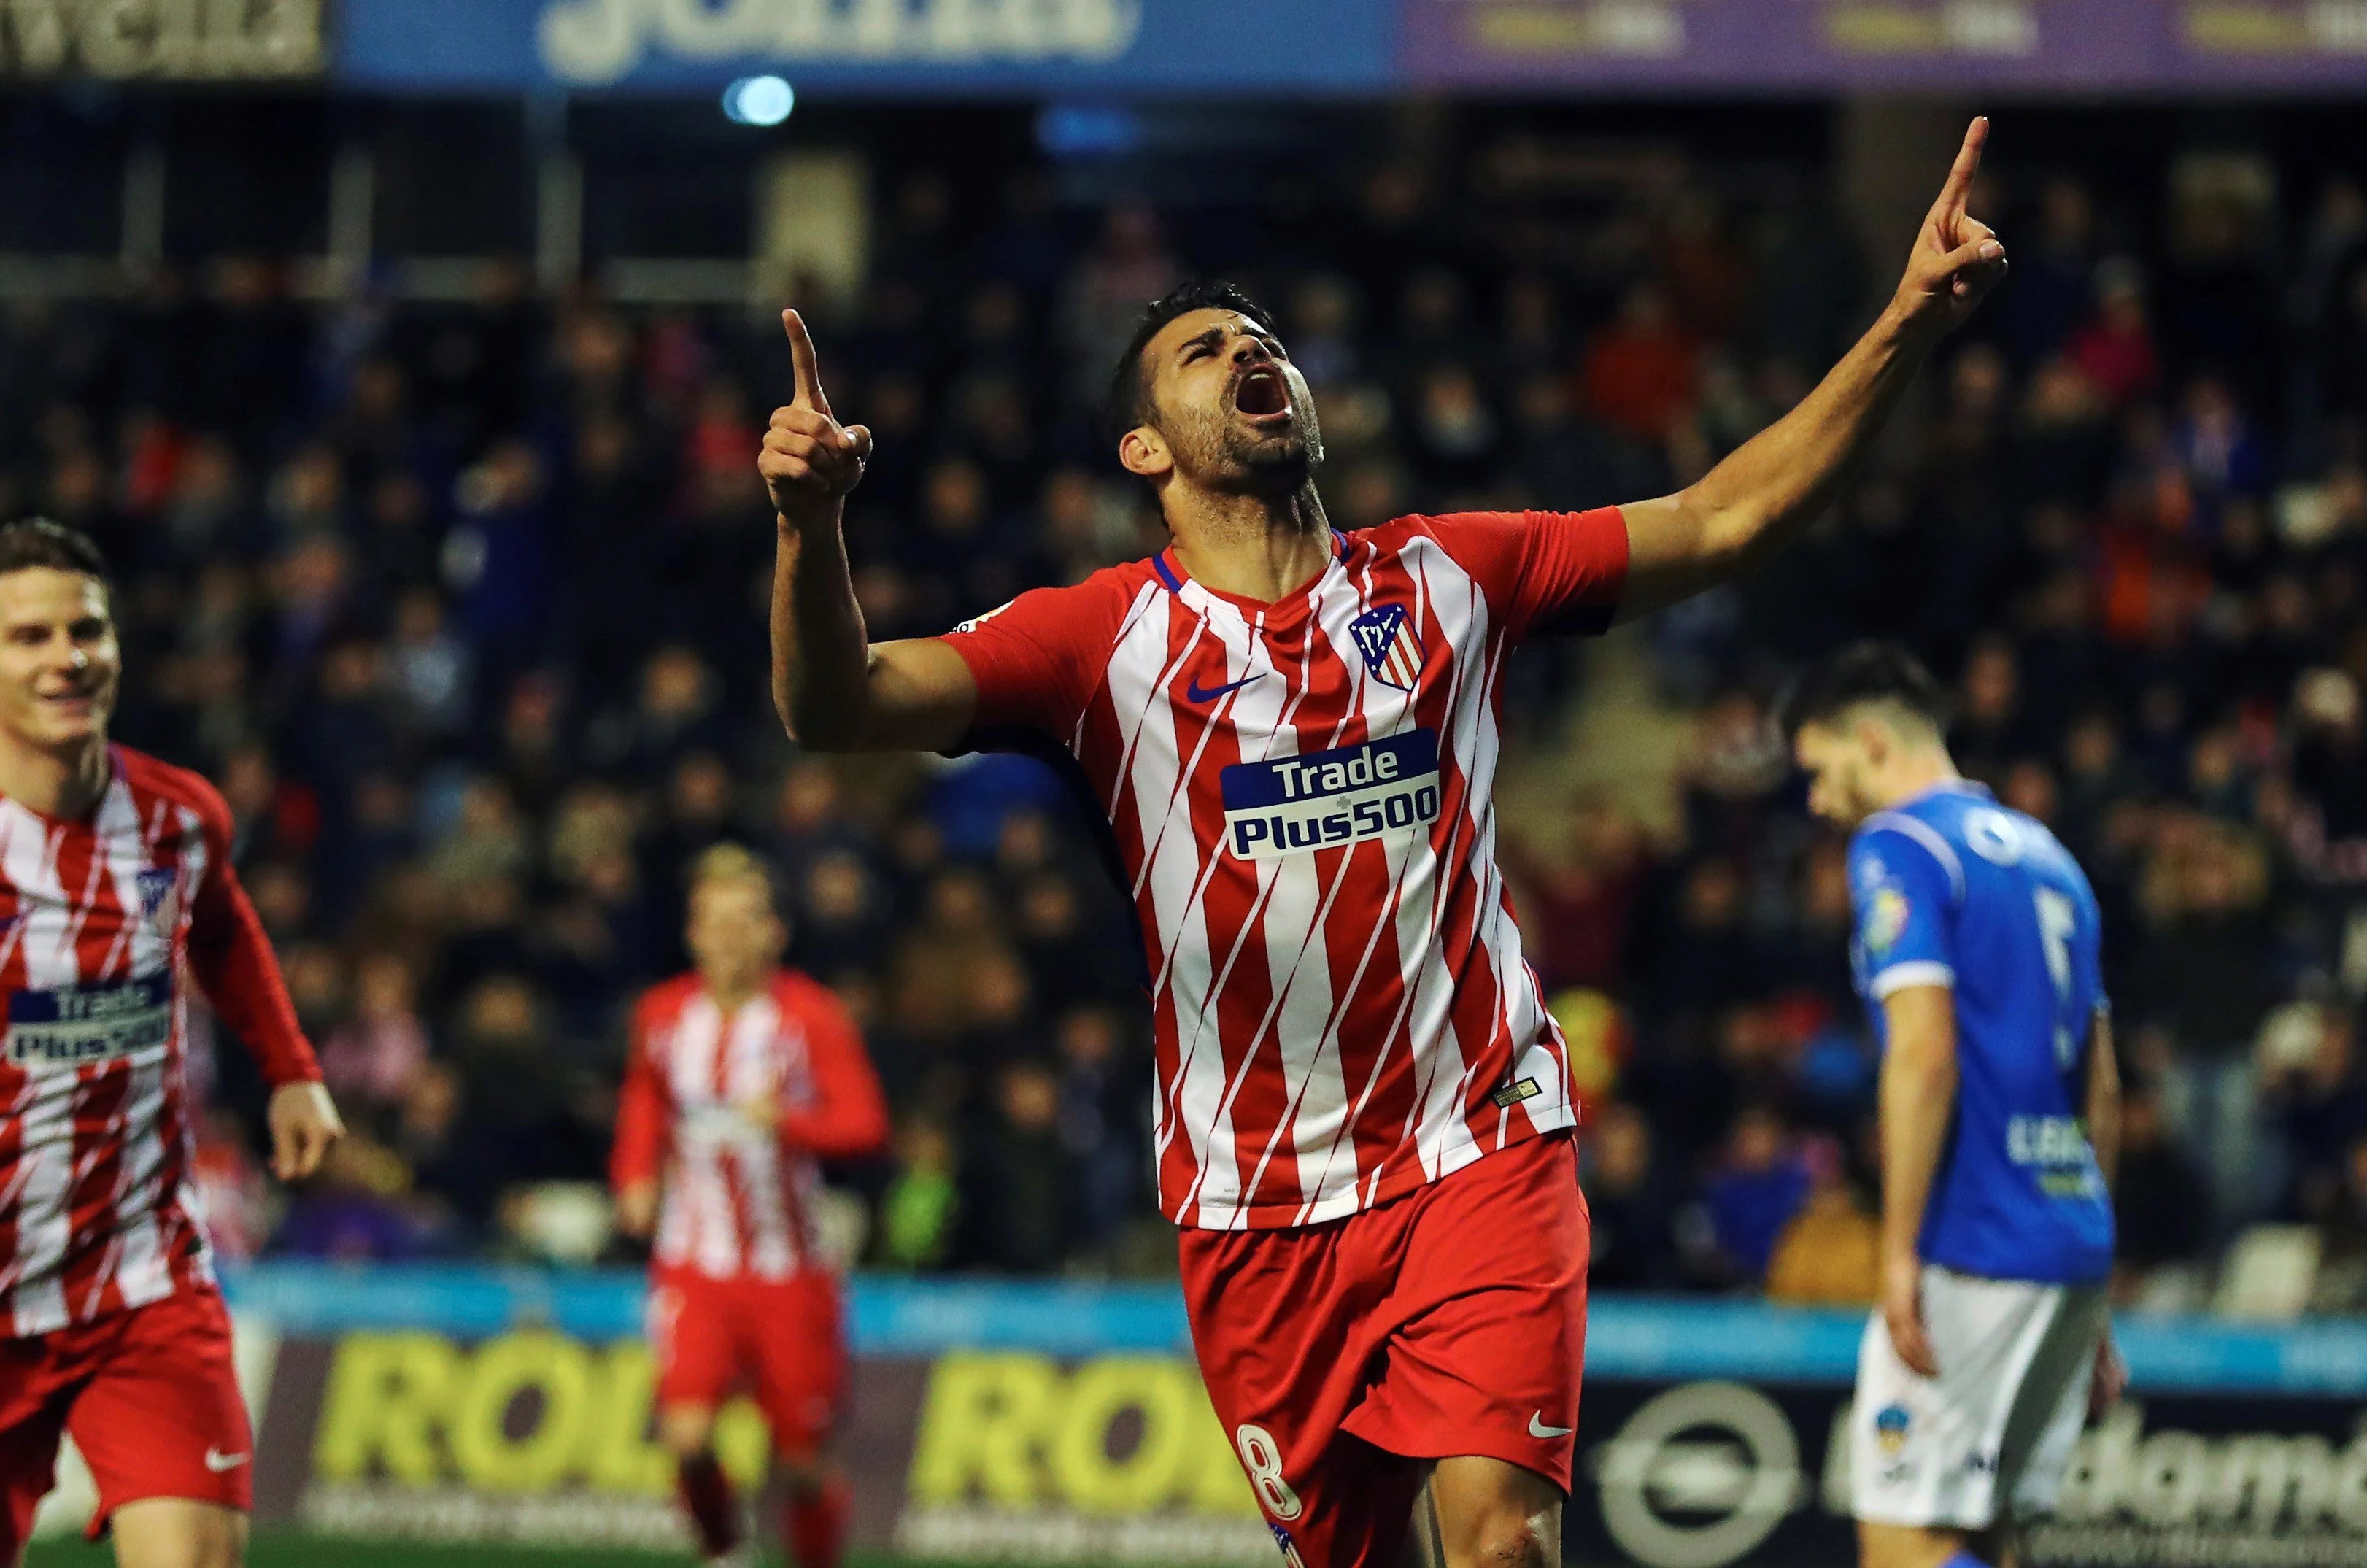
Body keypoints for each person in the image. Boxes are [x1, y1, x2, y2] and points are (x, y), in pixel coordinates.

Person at [759, 117, 2012, 1568]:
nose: (1250, 357)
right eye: (1203, 352)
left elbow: (1725, 515)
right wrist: (806, 532)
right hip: (1256, 1208)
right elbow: (833, 705)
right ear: (1144, 446)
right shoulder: (1100, 641)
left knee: (1498, 1548)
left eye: (1262, 342)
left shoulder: (1445, 575)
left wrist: (1906, 319)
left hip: (1476, 1144)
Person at [0, 520, 342, 1568]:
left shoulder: (179, 820)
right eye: (31, 636)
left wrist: (293, 1070)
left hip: (144, 1279)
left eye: (88, 630)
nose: (67, 656)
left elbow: (223, 931)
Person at [1787, 642, 2121, 1568]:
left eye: (1819, 771)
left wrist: (1895, 1254)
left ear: (1869, 741)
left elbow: (1923, 1056)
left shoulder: (1901, 845)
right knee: (1981, 1528)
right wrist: (2092, 1279)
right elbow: (2101, 1086)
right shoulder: (2050, 857)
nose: (1817, 802)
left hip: (1972, 1240)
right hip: (2067, 1235)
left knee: (1904, 1541)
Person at [611, 845, 888, 1568]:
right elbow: (645, 1096)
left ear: (774, 932)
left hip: (789, 1271)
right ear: (692, 933)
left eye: (743, 922)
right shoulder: (663, 1014)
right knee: (687, 1436)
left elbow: (865, 1123)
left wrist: (789, 1122)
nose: (727, 938)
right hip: (693, 1264)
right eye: (712, 922)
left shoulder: (811, 1018)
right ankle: (724, 1551)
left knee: (799, 1464)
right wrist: (634, 1175)